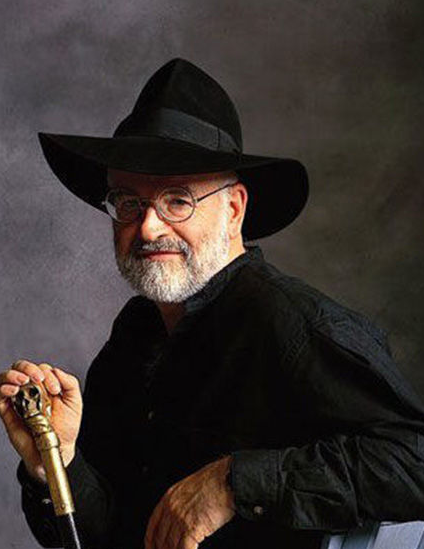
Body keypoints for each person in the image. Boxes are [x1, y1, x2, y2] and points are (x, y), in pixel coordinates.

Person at [1, 58, 424, 549]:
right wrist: (56, 462)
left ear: (234, 209)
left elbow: (415, 461)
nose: (148, 228)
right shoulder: (135, 335)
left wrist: (231, 484)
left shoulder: (289, 323)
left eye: (178, 200)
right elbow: (109, 532)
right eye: (129, 202)